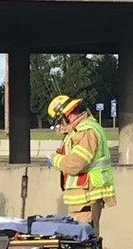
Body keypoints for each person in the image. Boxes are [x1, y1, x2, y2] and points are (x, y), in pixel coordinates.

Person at [46, 94, 114, 229]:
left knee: (83, 241)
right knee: (82, 240)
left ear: (67, 115)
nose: (59, 125)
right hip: (82, 199)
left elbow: (76, 164)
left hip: (87, 196)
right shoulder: (77, 131)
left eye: (59, 120)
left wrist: (55, 160)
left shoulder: (85, 131)